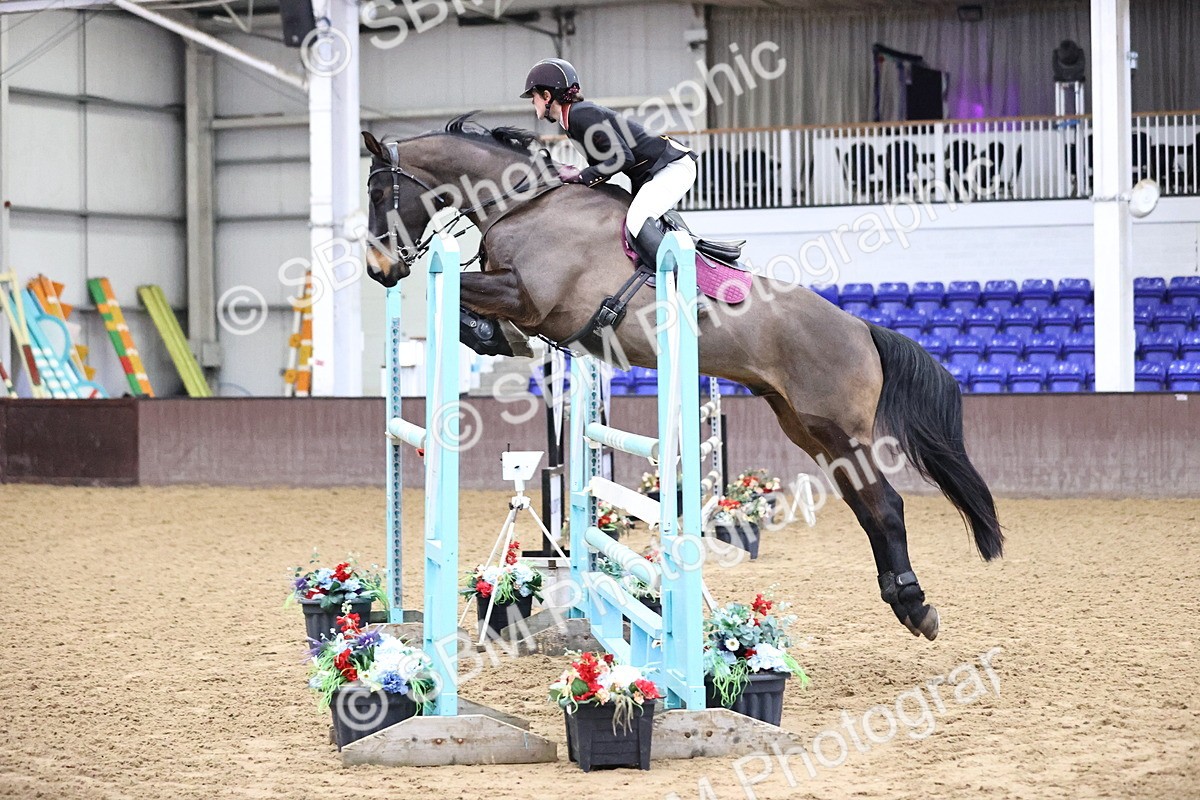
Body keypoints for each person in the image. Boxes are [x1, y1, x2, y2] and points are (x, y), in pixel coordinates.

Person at [521, 57, 698, 271]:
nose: (532, 102)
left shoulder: (581, 114)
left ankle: (687, 284)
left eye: (534, 96)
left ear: (547, 96)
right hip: (654, 172)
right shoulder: (571, 121)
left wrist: (579, 175)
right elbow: (604, 167)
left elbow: (623, 158)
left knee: (637, 221)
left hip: (672, 167)